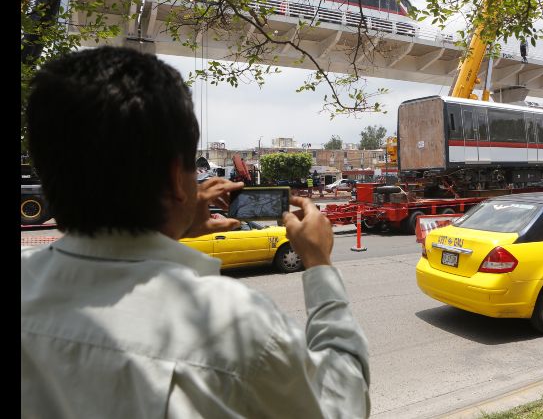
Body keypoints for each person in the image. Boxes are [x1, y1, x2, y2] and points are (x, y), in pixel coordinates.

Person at [21, 46, 370, 417]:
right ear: (176, 176)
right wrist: (318, 264)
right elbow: (342, 403)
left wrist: (175, 227)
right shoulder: (232, 324)